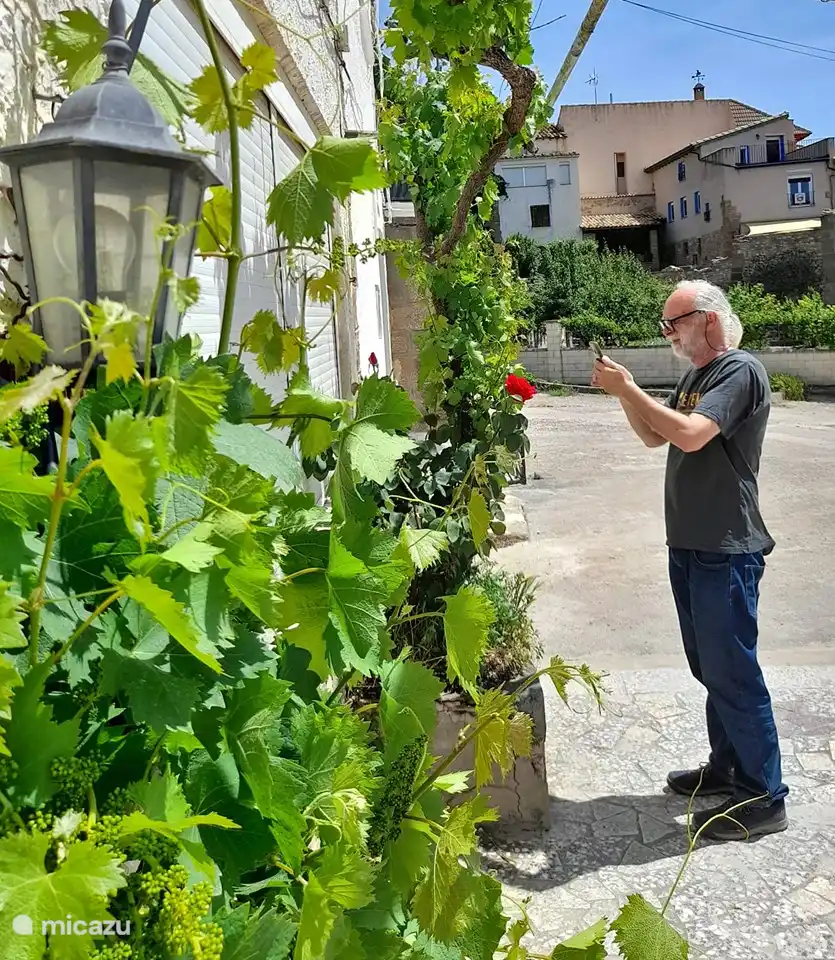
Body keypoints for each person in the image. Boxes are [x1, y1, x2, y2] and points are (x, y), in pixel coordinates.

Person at [591, 279, 788, 842]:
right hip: (694, 543)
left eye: (675, 322)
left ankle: (764, 795)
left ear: (711, 320)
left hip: (727, 546)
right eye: (666, 324)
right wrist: (626, 395)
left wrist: (630, 387)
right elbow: (659, 438)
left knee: (733, 670)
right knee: (710, 666)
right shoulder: (696, 377)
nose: (669, 332)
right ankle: (727, 768)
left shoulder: (738, 371)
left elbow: (693, 435)